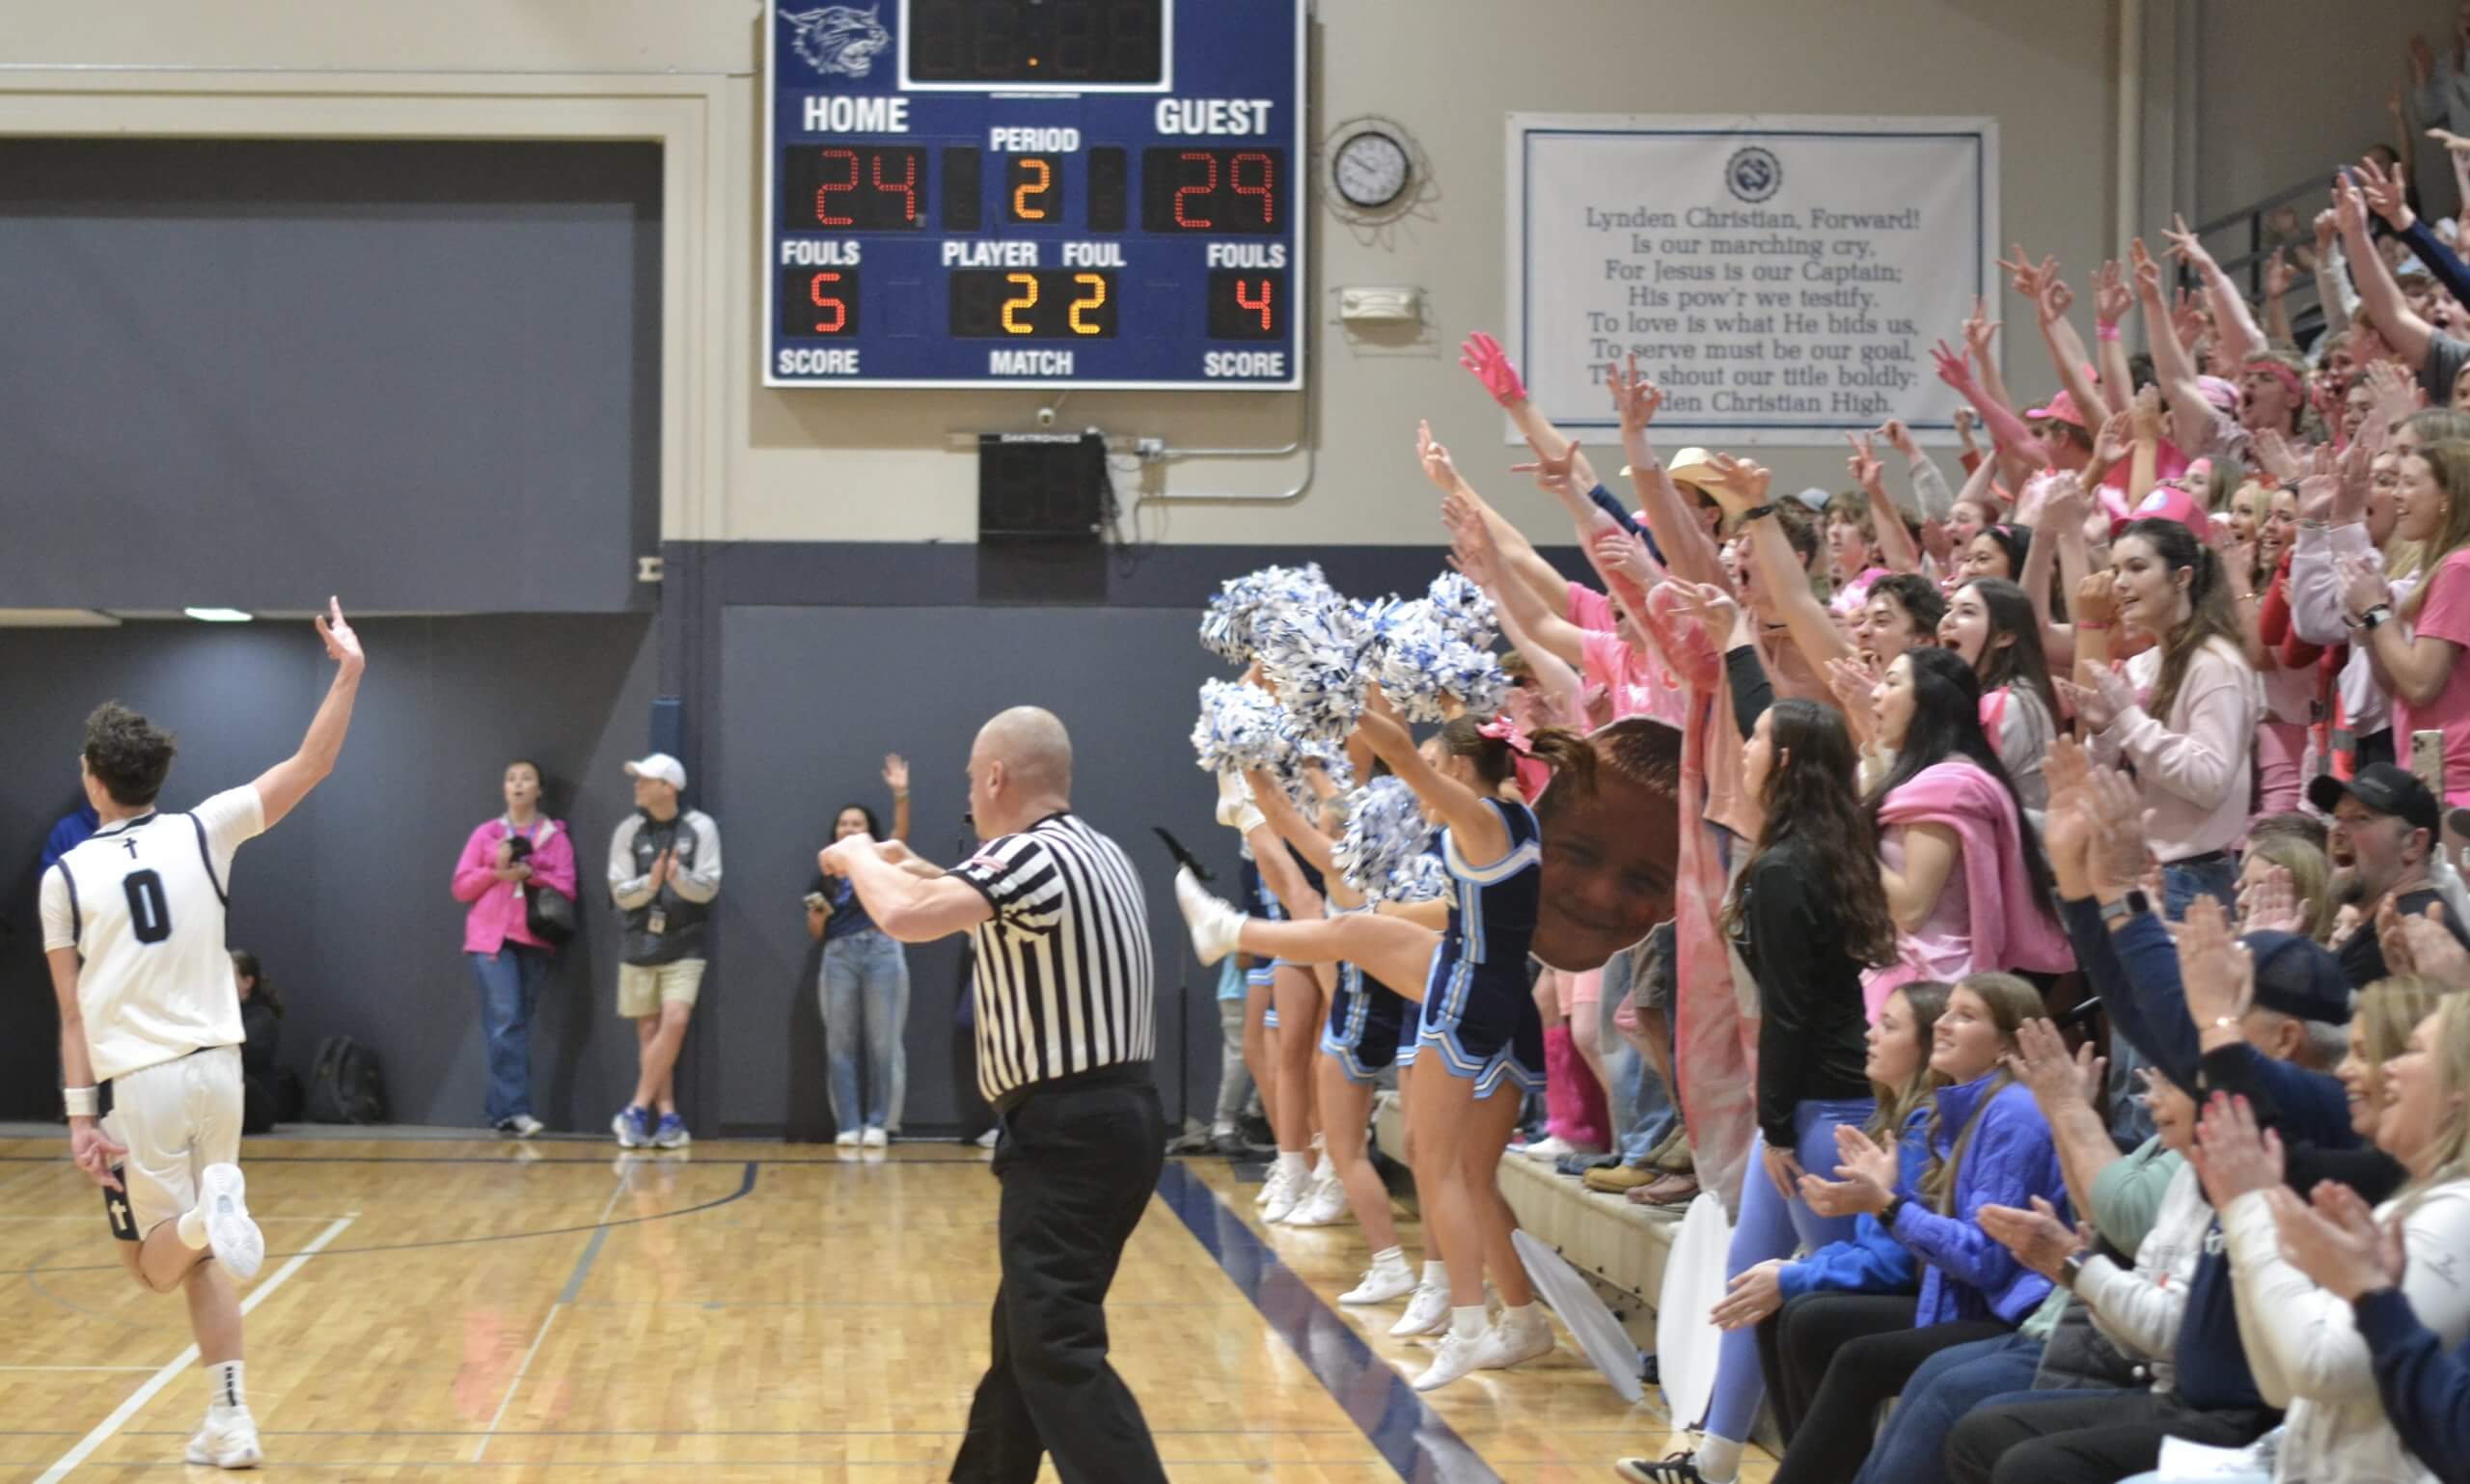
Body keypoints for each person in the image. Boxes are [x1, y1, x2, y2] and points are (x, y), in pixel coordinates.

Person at [40, 599, 364, 1472]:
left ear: (93, 779)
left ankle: (205, 1217)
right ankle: (231, 1420)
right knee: (203, 1255)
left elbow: (71, 1012)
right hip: (221, 1071)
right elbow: (313, 763)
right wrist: (349, 672)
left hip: (137, 1086)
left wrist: (80, 1119)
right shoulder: (204, 828)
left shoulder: (66, 875)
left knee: (155, 1265)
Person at [820, 704, 1167, 1484]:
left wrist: (858, 853)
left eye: (972, 782)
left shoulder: (1026, 855)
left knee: (1055, 1348)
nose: (969, 798)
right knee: (1025, 1342)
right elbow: (983, 906)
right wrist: (911, 863)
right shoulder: (1096, 852)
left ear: (996, 777)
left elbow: (907, 916)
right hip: (1117, 1122)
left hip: (1068, 1133)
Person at [1637, 699, 1899, 1484]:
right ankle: (1714, 1458)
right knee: (1748, 1279)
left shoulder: (1787, 868)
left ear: (1783, 762)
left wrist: (1779, 1126)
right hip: (1802, 1106)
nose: (1744, 748)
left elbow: (1788, 1012)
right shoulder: (1816, 849)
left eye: (1755, 738)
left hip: (1822, 1111)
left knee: (1832, 1310)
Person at [1846, 647, 2069, 1013]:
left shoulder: (1945, 786)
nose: (1875, 694)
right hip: (1919, 976)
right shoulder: (1940, 776)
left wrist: (1847, 839)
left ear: (1929, 699)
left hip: (1932, 984)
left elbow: (1912, 909)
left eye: (1892, 682)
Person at [2066, 512, 2260, 919]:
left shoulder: (2216, 664)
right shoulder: (2142, 665)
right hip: (2142, 868)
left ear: (2182, 577)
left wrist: (2129, 718)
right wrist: (2104, 730)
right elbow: (2109, 780)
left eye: (2137, 568)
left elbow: (2208, 781)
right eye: (2115, 570)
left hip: (2193, 880)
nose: (2119, 583)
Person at [451, 758, 575, 1138]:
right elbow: (461, 887)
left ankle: (499, 1111)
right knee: (507, 1020)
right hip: (490, 941)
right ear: (504, 789)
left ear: (539, 790)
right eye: (511, 779)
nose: (518, 784)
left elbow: (567, 887)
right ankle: (518, 1110)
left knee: (511, 1026)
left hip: (535, 938)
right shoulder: (486, 834)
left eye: (526, 778)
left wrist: (531, 874)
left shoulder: (554, 837)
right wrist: (496, 872)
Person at [2341, 440, 2470, 803]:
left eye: (2410, 483)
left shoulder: (2460, 569)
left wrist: (2376, 611)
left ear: (2447, 497)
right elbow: (2399, 688)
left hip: (2455, 783)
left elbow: (2420, 685)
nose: (2397, 495)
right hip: (2429, 772)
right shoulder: (2443, 568)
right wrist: (2371, 630)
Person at [607, 752, 721, 1151]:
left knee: (675, 1019)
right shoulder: (628, 830)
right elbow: (620, 893)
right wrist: (652, 885)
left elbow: (709, 887)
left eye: (644, 779)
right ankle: (668, 1117)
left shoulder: (701, 827)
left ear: (668, 787)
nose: (636, 785)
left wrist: (679, 878)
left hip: (686, 941)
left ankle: (635, 1108)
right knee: (649, 1032)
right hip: (639, 940)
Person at [807, 754, 914, 1147]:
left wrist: (900, 794)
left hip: (881, 949)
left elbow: (900, 835)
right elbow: (816, 933)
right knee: (839, 1043)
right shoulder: (826, 872)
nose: (849, 828)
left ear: (869, 832)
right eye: (844, 823)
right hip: (839, 955)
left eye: (857, 823)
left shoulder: (881, 860)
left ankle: (880, 1123)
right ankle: (848, 1124)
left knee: (884, 1042)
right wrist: (817, 915)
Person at [2307, 764, 2470, 989]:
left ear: (2413, 844)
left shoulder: (2400, 938)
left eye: (2360, 818)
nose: (2337, 830)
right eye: (2336, 817)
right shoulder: (2384, 926)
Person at [1937, 577, 2061, 811]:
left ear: (2003, 637)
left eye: (1967, 612)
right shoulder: (1968, 692)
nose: (1947, 621)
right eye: (1948, 609)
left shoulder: (2011, 704)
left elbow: (1957, 792)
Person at [232, 950, 282, 1136]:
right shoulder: (216, 1017)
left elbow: (242, 1055)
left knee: (223, 1072)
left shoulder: (262, 1018)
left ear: (247, 982)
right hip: (228, 1101)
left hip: (257, 1107)